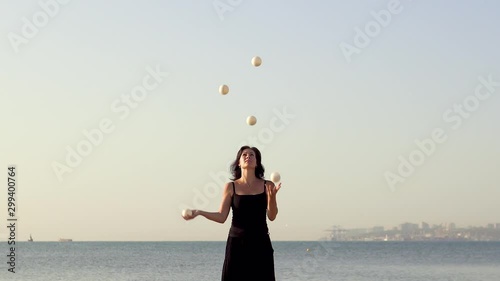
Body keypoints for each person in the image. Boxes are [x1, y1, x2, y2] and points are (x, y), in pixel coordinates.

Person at [183, 146, 281, 281]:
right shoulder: (231, 186)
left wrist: (272, 198)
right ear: (239, 163)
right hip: (237, 244)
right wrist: (200, 212)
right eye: (244, 155)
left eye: (252, 155)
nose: (248, 157)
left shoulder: (267, 185)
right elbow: (222, 216)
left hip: (260, 243)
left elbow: (272, 216)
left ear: (257, 162)